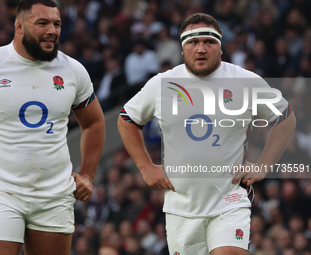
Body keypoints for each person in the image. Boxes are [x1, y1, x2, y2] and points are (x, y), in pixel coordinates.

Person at [118, 13, 296, 255]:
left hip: (229, 202)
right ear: (182, 49)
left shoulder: (245, 81)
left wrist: (264, 166)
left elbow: (285, 118)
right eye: (193, 42)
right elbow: (127, 120)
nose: (201, 48)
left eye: (209, 42)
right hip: (181, 208)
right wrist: (146, 167)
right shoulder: (162, 84)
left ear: (221, 48)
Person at [0, 0, 105, 254]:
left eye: (57, 24)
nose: (52, 30)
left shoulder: (73, 70)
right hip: (2, 192)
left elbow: (95, 122)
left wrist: (87, 174)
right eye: (42, 23)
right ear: (19, 26)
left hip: (55, 196)